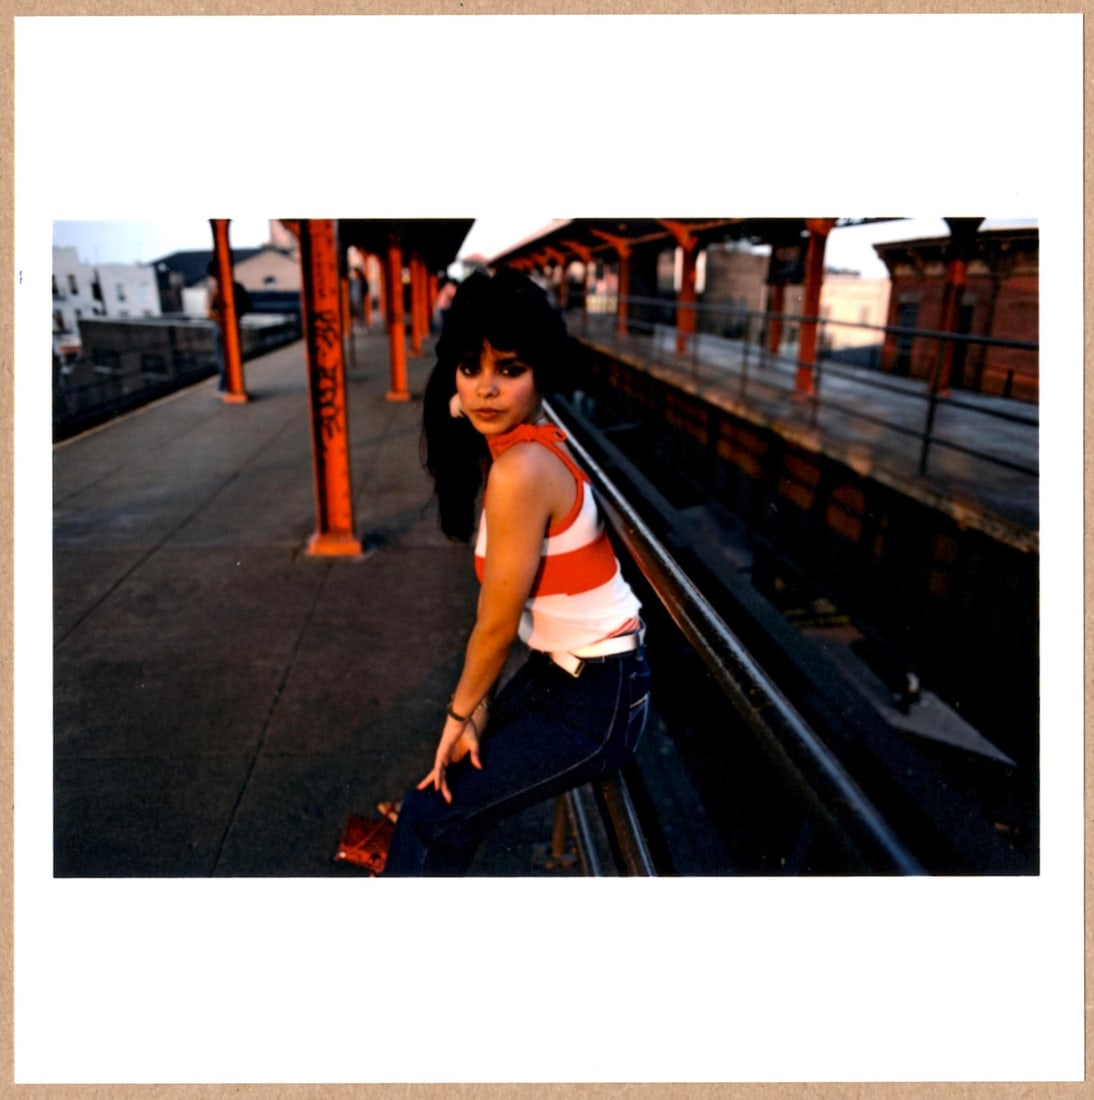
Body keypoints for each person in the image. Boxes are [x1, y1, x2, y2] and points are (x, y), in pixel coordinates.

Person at [381, 267, 650, 876]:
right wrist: (475, 708)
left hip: (593, 700)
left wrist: (460, 714)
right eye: (470, 367)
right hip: (572, 673)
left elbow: (496, 627)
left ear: (540, 375)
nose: (485, 390)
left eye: (509, 369)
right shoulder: (524, 440)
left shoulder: (522, 471)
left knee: (428, 813)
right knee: (442, 795)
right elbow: (467, 401)